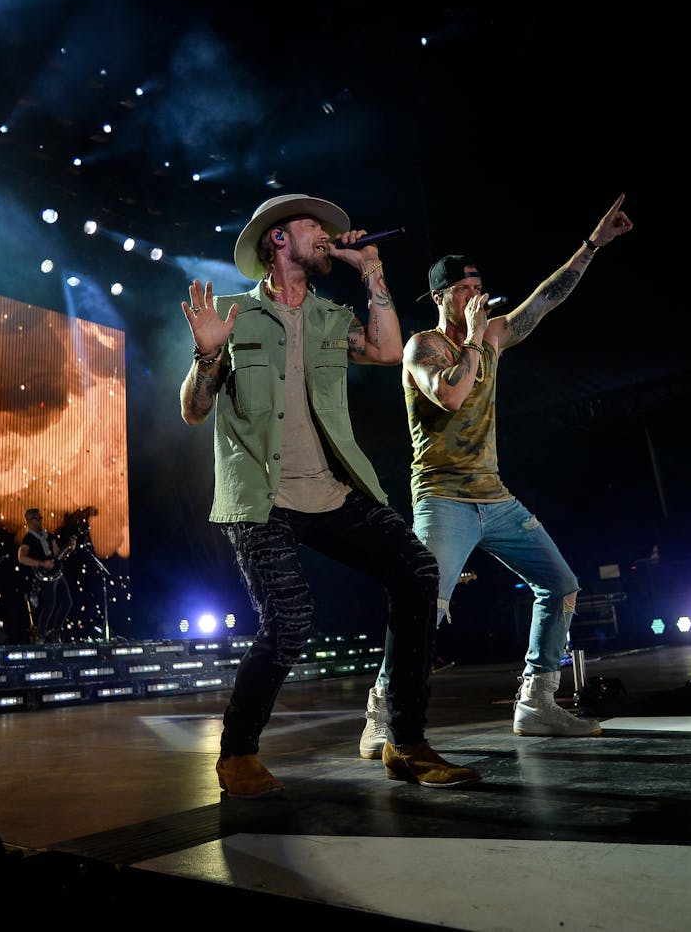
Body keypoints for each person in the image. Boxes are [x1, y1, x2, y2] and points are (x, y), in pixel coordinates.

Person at [180, 192, 480, 798]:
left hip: (334, 488)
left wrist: (370, 271)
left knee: (418, 573)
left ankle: (406, 740)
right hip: (261, 498)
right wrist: (208, 352)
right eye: (311, 227)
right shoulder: (234, 315)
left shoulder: (328, 315)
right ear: (278, 241)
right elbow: (193, 409)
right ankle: (237, 752)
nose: (324, 235)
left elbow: (390, 350)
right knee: (289, 624)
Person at [359, 194, 634, 757]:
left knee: (560, 585)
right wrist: (475, 335)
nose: (475, 294)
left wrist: (592, 245)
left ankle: (536, 703)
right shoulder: (423, 346)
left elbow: (545, 300)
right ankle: (383, 710)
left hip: (496, 497)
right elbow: (454, 395)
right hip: (443, 498)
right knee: (423, 604)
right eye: (464, 288)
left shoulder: (492, 334)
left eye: (478, 284)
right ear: (441, 296)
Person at [17, 508, 77, 643]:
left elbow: (58, 554)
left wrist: (70, 548)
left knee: (67, 602)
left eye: (40, 518)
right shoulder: (28, 538)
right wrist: (41, 563)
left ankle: (55, 631)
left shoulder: (48, 535)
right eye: (37, 519)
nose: (40, 521)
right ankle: (41, 635)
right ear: (29, 521)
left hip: (57, 573)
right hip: (45, 576)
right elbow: (21, 558)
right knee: (50, 605)